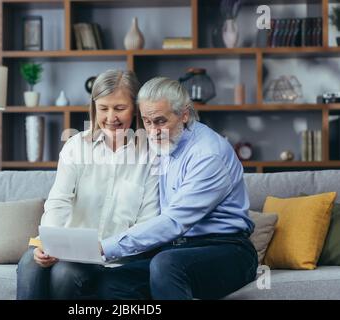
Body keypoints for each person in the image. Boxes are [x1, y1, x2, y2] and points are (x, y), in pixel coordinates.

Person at [98, 77, 258, 300]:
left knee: (166, 264)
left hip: (228, 250)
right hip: (177, 248)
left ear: (184, 114)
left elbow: (174, 221)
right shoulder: (162, 145)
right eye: (147, 121)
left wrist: (105, 247)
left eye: (160, 121)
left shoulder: (208, 155)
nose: (153, 131)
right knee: (110, 281)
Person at [16, 70, 160, 300]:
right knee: (29, 264)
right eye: (103, 108)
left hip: (116, 259)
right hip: (67, 249)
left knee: (64, 274)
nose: (111, 117)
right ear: (94, 108)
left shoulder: (151, 156)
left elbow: (149, 222)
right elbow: (58, 200)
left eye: (119, 108)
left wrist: (105, 249)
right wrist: (49, 242)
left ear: (135, 108)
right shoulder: (76, 146)